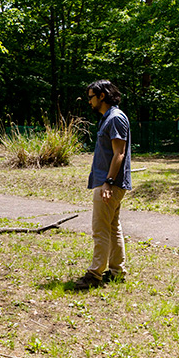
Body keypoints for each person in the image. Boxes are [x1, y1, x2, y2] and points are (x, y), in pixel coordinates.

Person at [74, 79, 132, 290]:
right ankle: (117, 271)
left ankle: (95, 274)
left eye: (90, 97)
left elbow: (120, 153)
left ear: (101, 96)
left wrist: (108, 182)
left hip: (109, 184)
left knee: (100, 229)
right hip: (109, 182)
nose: (88, 101)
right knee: (112, 227)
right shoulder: (108, 118)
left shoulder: (115, 118)